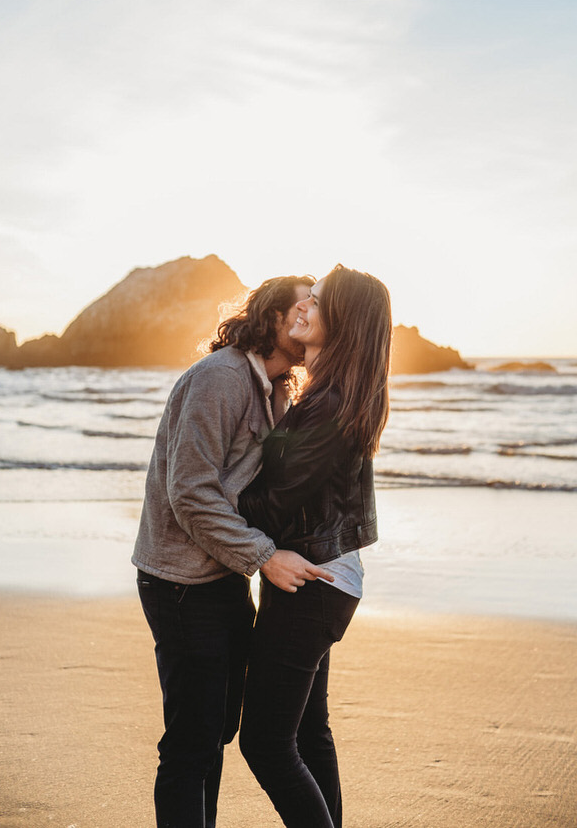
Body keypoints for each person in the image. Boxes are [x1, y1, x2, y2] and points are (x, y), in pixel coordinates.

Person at [132, 274, 335, 828]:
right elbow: (190, 491)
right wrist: (265, 556)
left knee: (217, 731)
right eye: (303, 305)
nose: (310, 314)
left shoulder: (280, 388)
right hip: (179, 582)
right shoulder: (220, 378)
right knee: (193, 742)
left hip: (223, 575)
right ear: (272, 316)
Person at [237, 265, 390, 828]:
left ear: (344, 321)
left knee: (265, 742)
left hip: (311, 582)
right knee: (306, 730)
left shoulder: (331, 406)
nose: (304, 306)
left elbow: (272, 503)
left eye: (318, 302)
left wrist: (209, 496)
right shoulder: (331, 394)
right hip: (321, 577)